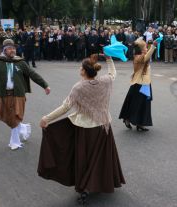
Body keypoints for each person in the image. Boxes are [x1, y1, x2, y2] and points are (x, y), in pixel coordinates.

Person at [38, 55, 125, 205]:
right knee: (100, 158)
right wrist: (109, 59)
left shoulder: (78, 87)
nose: (79, 68)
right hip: (103, 126)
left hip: (86, 129)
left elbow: (65, 107)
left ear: (84, 71)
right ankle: (98, 183)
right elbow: (113, 74)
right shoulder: (105, 81)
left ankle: (85, 187)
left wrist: (47, 118)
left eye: (81, 67)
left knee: (86, 159)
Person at [0, 39, 51, 150]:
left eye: (14, 48)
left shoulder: (20, 62)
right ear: (4, 50)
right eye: (10, 48)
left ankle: (15, 142)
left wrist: (45, 85)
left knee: (15, 117)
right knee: (9, 118)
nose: (13, 50)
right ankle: (24, 128)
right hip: (4, 94)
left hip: (18, 94)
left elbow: (32, 74)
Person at [119, 38, 157, 131]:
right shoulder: (138, 57)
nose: (146, 48)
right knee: (136, 103)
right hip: (139, 84)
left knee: (145, 104)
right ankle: (128, 118)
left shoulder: (142, 54)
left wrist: (149, 44)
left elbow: (146, 54)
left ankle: (140, 123)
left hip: (145, 83)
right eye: (144, 47)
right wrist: (153, 47)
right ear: (140, 49)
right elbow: (145, 58)